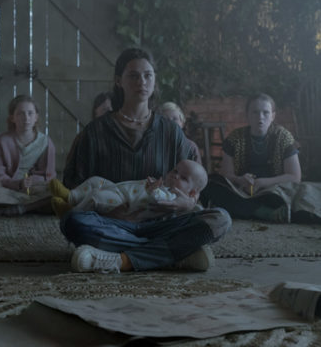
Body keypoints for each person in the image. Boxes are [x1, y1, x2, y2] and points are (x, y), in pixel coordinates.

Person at [60, 47, 231, 274]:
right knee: (73, 221)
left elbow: (194, 187)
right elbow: (74, 188)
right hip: (114, 225)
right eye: (133, 75)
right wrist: (111, 213)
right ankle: (174, 254)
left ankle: (122, 260)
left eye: (148, 75)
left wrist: (187, 204)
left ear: (155, 80)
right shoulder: (95, 132)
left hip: (163, 224)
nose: (142, 81)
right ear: (118, 81)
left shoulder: (171, 132)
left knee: (221, 218)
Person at [200, 93, 301, 222]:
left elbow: (294, 177)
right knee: (210, 183)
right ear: (247, 115)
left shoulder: (284, 138)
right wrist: (239, 179)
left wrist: (262, 182)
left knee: (294, 195)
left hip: (273, 189)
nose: (260, 117)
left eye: (266, 113)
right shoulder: (235, 138)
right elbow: (226, 174)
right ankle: (264, 213)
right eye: (255, 112)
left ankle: (244, 209)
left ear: (273, 116)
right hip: (243, 190)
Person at [51, 159, 207, 219]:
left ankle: (72, 214)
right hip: (116, 188)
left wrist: (153, 190)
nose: (176, 176)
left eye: (184, 178)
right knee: (95, 181)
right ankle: (71, 196)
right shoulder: (164, 185)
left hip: (123, 202)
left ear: (192, 193)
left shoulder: (173, 198)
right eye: (175, 171)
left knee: (96, 197)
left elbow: (158, 200)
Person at [0, 95, 56, 194]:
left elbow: (48, 174)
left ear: (36, 117)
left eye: (30, 113)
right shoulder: (2, 142)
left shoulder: (45, 142)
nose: (26, 118)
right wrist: (17, 184)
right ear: (12, 118)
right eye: (21, 114)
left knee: (53, 190)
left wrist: (31, 181)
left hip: (35, 187)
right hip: (7, 187)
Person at [64, 92, 113, 187]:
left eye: (110, 110)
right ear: (95, 112)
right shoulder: (85, 136)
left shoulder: (117, 138)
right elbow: (70, 172)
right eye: (104, 110)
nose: (107, 114)